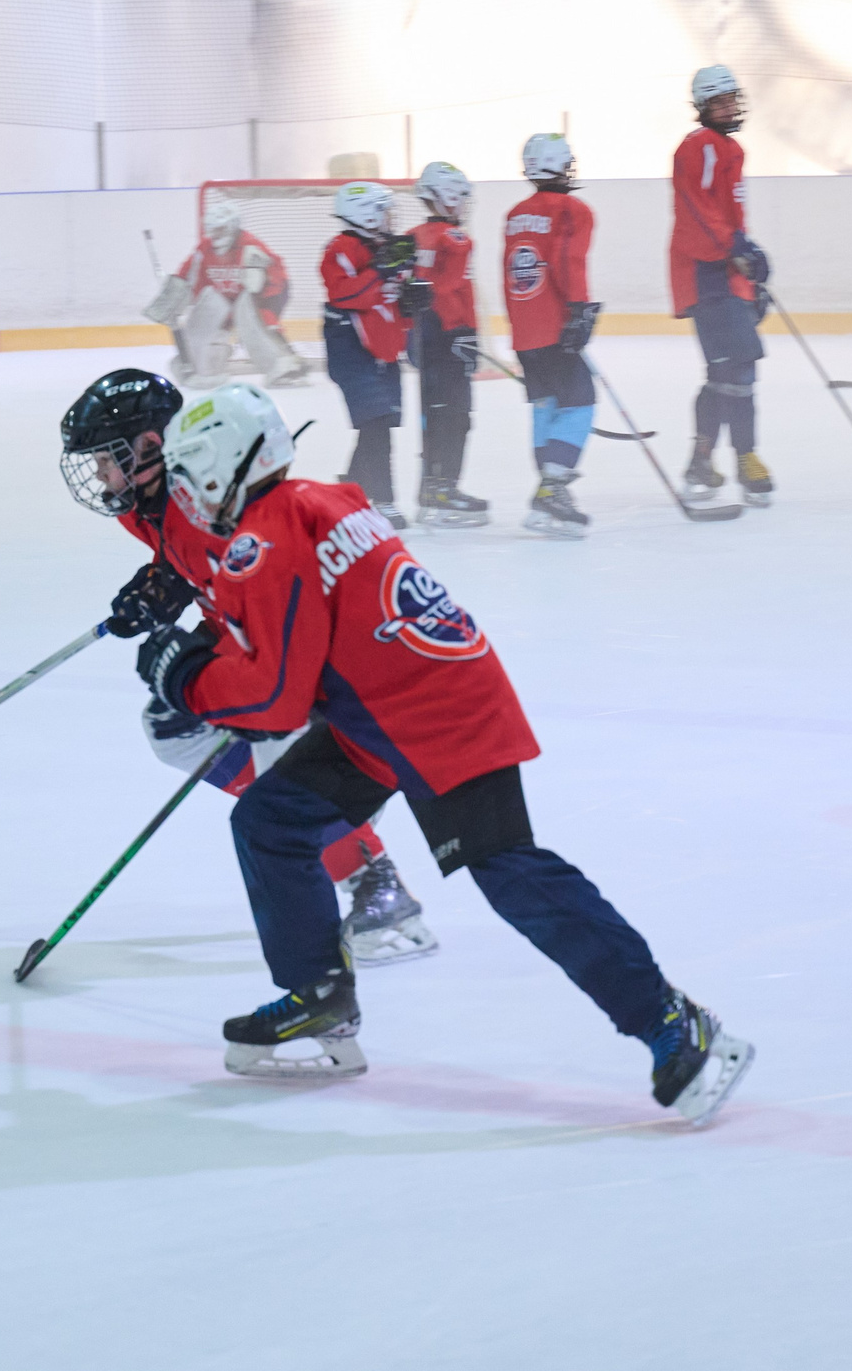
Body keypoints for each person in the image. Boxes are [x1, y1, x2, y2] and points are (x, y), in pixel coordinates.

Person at [121, 383, 752, 1125]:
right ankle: (319, 997)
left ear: (228, 464)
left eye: (194, 475)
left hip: (437, 716)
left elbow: (274, 702)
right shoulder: (315, 501)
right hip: (387, 711)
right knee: (272, 820)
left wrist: (185, 674)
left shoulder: (267, 535)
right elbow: (296, 627)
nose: (188, 496)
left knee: (511, 872)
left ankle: (675, 1022)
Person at [57, 367, 437, 964]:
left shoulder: (212, 501)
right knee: (173, 724)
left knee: (269, 734)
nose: (101, 476)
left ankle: (374, 882)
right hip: (273, 639)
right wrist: (165, 582)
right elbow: (210, 573)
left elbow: (274, 594)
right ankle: (317, 821)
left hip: (346, 671)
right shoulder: (146, 506)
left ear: (152, 448)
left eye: (107, 458)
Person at [670, 65, 774, 508]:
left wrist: (749, 260)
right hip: (705, 271)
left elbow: (727, 217)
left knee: (725, 372)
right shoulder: (699, 147)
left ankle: (700, 459)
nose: (730, 106)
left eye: (733, 98)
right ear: (704, 106)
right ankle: (747, 458)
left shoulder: (731, 149)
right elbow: (697, 208)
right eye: (721, 101)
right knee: (739, 367)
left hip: (726, 271)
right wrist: (734, 245)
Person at [503, 133, 601, 538]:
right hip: (555, 324)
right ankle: (553, 489)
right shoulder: (572, 208)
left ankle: (547, 493)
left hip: (525, 330)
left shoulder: (514, 214)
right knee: (580, 402)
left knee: (545, 406)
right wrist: (578, 308)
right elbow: (568, 260)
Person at [319, 181, 418, 527]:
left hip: (383, 351)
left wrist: (414, 300)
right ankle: (384, 501)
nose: (389, 217)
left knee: (378, 423)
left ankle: (346, 494)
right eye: (383, 209)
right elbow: (345, 295)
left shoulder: (389, 247)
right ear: (365, 214)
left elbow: (394, 300)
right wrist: (381, 270)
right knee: (376, 423)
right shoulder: (340, 249)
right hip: (351, 351)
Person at [405, 162, 490, 527]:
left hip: (422, 338)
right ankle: (444, 491)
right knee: (455, 416)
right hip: (449, 337)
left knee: (434, 413)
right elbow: (447, 289)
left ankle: (432, 487)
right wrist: (464, 336)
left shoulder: (410, 237)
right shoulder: (456, 239)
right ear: (447, 197)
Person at [144, 200, 307, 390]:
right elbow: (189, 275)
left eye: (219, 229)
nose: (215, 235)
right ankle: (203, 368)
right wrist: (174, 297)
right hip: (228, 297)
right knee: (205, 318)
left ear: (232, 226)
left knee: (253, 320)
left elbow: (273, 279)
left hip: (265, 294)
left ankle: (285, 365)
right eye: (212, 230)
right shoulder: (204, 248)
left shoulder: (249, 246)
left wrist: (260, 297)